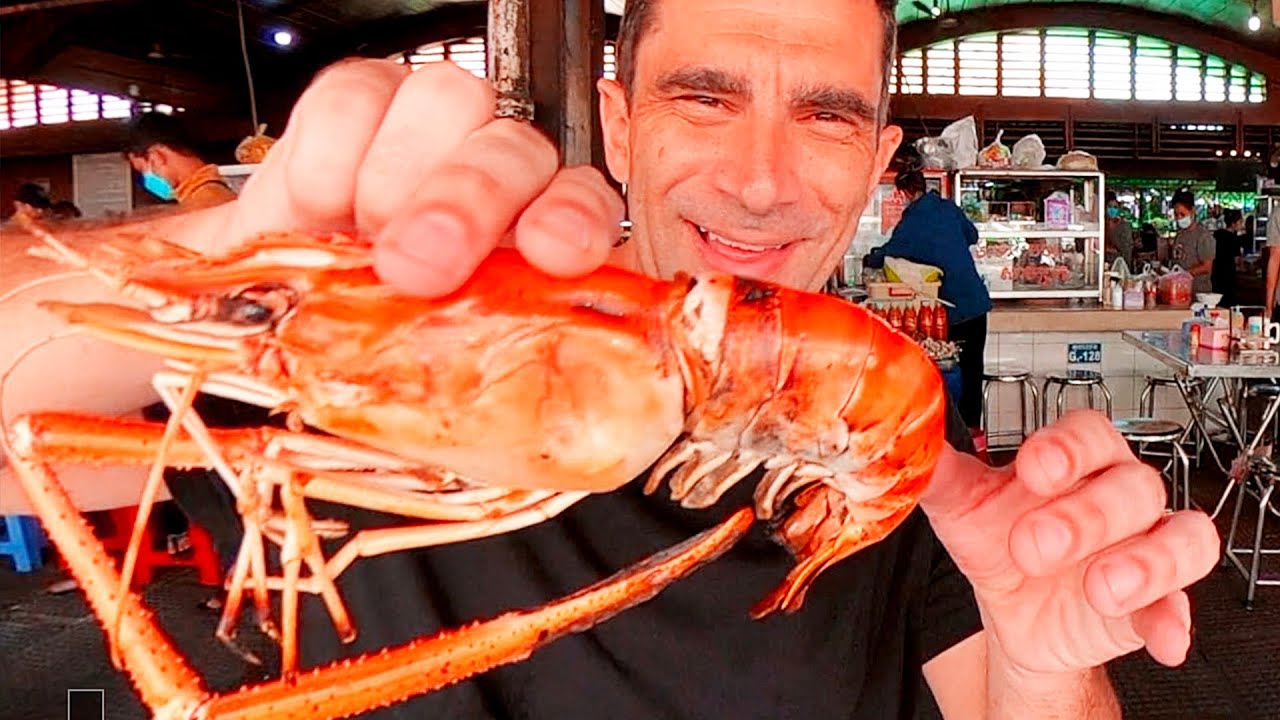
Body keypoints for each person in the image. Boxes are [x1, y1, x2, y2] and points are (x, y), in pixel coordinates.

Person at [0, 1, 1220, 718]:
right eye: (703, 96)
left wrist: (1034, 652)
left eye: (825, 115)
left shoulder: (904, 482)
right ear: (618, 118)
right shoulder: (384, 315)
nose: (757, 178)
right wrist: (233, 237)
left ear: (877, 156)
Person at [864, 169, 991, 429]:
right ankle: (974, 436)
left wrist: (870, 258)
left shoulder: (912, 222)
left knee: (948, 374)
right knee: (972, 371)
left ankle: (951, 439)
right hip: (977, 303)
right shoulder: (948, 208)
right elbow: (973, 236)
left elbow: (888, 253)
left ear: (903, 193)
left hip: (951, 310)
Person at [123, 112, 237, 209]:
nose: (146, 179)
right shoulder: (215, 192)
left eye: (142, 170)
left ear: (156, 157)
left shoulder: (204, 204)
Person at [1168, 189, 1215, 294]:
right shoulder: (1180, 235)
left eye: (1182, 214)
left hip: (1198, 292)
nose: (1179, 218)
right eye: (1176, 215)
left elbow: (1207, 267)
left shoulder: (1203, 236)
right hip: (1180, 291)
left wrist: (1184, 274)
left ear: (1192, 210)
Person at [1211, 208, 1244, 308]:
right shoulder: (1234, 239)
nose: (1242, 225)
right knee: (1228, 304)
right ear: (1233, 223)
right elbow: (1237, 260)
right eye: (1240, 222)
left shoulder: (1217, 235)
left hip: (1216, 274)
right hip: (1228, 276)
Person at [1104, 190, 1133, 269]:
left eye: (1115, 207)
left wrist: (1127, 266)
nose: (1112, 210)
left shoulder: (1124, 226)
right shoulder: (1102, 225)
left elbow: (1127, 248)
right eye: (1109, 207)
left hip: (1119, 261)